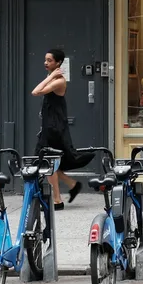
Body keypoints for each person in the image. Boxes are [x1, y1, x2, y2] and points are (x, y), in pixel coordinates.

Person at [32, 48, 95, 210]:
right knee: (48, 163)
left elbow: (36, 92)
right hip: (49, 125)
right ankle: (72, 185)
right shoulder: (51, 78)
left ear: (58, 63)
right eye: (45, 60)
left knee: (48, 162)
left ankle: (57, 200)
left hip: (54, 127)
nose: (46, 63)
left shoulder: (59, 81)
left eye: (50, 60)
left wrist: (52, 76)